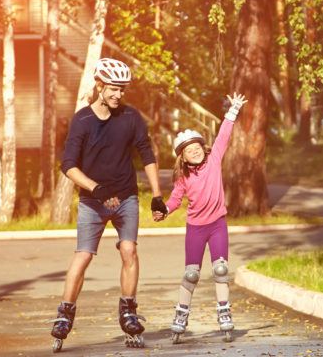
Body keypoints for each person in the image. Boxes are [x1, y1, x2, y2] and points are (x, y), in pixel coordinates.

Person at [50, 58, 168, 351]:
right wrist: (96, 188)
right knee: (84, 255)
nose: (118, 95)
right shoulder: (83, 120)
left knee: (129, 249)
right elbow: (68, 166)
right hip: (93, 200)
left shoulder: (130, 117)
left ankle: (128, 311)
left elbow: (147, 155)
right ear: (100, 86)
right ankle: (65, 313)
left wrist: (156, 195)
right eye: (114, 88)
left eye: (122, 90)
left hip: (126, 196)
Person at [152, 92, 247, 343]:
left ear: (203, 149)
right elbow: (174, 200)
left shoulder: (214, 160)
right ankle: (181, 316)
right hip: (195, 228)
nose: (194, 152)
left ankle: (224, 312)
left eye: (196, 148)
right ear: (182, 157)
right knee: (191, 274)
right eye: (188, 150)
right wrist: (164, 210)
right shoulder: (183, 178)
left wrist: (233, 111)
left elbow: (224, 136)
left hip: (217, 225)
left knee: (221, 269)